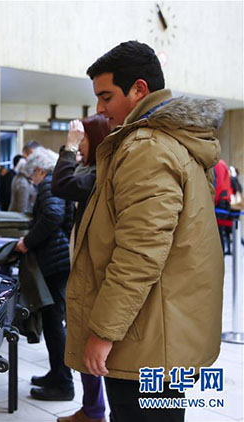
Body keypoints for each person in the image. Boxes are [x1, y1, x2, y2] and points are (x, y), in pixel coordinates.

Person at [65, 41, 224, 422]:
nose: (99, 108)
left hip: (144, 337)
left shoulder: (147, 148)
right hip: (159, 330)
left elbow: (139, 253)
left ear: (139, 89)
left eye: (106, 96)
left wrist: (103, 332)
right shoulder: (168, 141)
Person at [50, 114, 110, 422]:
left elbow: (61, 185)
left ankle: (94, 410)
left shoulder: (101, 172)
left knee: (96, 344)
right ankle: (92, 408)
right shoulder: (92, 170)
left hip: (100, 270)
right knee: (85, 341)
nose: (79, 144)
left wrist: (69, 146)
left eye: (83, 138)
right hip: (85, 262)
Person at [14, 148, 75, 401]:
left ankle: (63, 383)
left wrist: (28, 241)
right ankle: (56, 373)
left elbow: (52, 215)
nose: (33, 182)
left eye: (32, 177)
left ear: (40, 170)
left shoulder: (50, 183)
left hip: (54, 260)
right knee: (52, 321)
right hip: (58, 258)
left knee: (54, 321)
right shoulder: (56, 182)